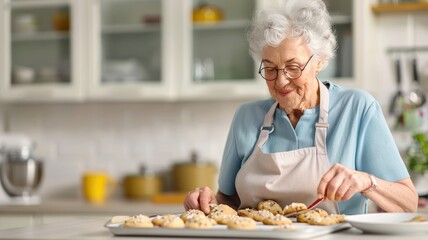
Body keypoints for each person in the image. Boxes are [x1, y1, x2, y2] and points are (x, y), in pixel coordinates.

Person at [184, 0, 418, 215]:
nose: (281, 81)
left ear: (321, 61)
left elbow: (407, 202)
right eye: (270, 68)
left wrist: (368, 182)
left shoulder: (357, 109)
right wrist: (206, 202)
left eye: (293, 67)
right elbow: (228, 200)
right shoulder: (246, 117)